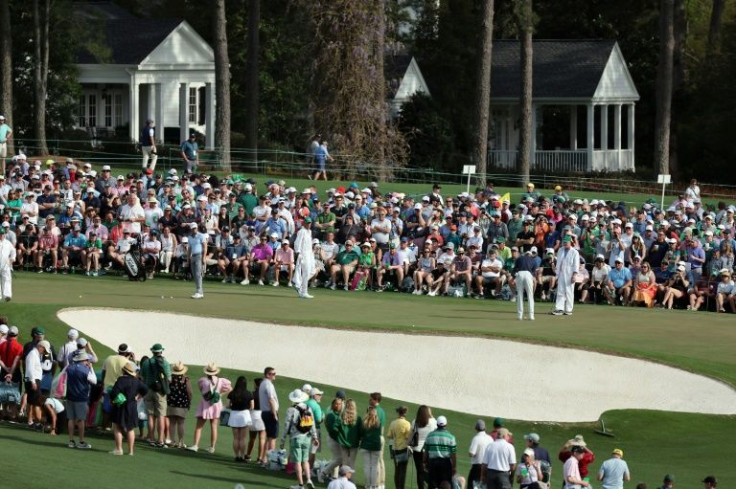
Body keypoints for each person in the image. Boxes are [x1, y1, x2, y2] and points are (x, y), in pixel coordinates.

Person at [188, 362, 232, 453]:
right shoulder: (221, 381)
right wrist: (220, 395)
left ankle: (195, 445)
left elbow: (201, 390)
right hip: (216, 404)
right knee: (214, 426)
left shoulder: (203, 381)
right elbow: (230, 388)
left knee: (199, 426)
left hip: (205, 403)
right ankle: (212, 447)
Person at [280, 388, 319, 489]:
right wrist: (315, 437)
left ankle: (300, 484)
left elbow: (286, 426)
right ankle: (309, 479)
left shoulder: (291, 410)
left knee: (297, 461)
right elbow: (313, 423)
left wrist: (282, 440)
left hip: (296, 437)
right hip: (307, 437)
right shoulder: (308, 408)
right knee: (305, 460)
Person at [110, 361, 148, 455]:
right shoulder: (137, 381)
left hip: (120, 406)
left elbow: (114, 392)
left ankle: (119, 449)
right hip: (132, 407)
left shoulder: (121, 380)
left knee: (117, 427)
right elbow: (146, 390)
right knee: (130, 429)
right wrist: (138, 396)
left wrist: (114, 399)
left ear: (124, 371)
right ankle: (131, 451)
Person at [140, 343, 171, 448]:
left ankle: (151, 438)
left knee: (151, 416)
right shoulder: (165, 363)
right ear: (161, 351)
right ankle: (161, 440)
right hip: (160, 392)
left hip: (148, 390)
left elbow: (142, 376)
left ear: (152, 351)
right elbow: (169, 379)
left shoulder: (146, 362)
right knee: (161, 416)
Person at [65, 351, 97, 449]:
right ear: (84, 360)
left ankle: (71, 441)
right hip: (81, 398)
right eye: (87, 360)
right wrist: (91, 368)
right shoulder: (85, 370)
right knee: (81, 420)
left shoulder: (69, 368)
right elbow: (94, 381)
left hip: (70, 396)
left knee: (71, 419)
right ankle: (81, 441)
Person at [424, 415, 457, 489]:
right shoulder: (451, 437)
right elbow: (453, 454)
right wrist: (454, 467)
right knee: (445, 485)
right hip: (445, 463)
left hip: (433, 463)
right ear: (446, 425)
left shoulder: (430, 436)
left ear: (437, 424)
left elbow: (426, 451)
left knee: (432, 485)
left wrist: (424, 462)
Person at [410, 404, 438, 489]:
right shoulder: (432, 422)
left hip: (417, 449)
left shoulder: (415, 422)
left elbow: (411, 434)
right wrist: (430, 414)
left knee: (419, 472)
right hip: (427, 450)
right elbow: (435, 424)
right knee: (429, 471)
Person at [227, 375, 254, 461]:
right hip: (245, 415)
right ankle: (242, 456)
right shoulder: (249, 393)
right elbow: (252, 407)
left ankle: (236, 455)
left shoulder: (232, 393)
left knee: (236, 438)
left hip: (234, 415)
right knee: (243, 438)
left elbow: (228, 405)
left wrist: (232, 407)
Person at [166, 361, 192, 448]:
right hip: (182, 404)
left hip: (171, 403)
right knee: (181, 423)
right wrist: (189, 402)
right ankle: (181, 442)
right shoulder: (186, 380)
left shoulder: (170, 379)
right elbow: (189, 393)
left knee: (172, 423)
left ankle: (172, 441)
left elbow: (167, 390)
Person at [552, 235, 580, 315]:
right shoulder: (560, 250)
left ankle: (568, 309)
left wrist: (574, 275)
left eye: (566, 242)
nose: (565, 243)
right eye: (564, 242)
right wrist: (557, 274)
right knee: (560, 291)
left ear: (570, 242)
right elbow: (558, 263)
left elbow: (576, 265)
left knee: (569, 291)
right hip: (561, 273)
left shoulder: (575, 252)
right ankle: (559, 309)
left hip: (570, 273)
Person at [258, 366, 280, 466]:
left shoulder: (263, 383)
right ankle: (271, 461)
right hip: (270, 412)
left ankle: (264, 459)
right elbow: (271, 399)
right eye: (273, 374)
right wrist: (274, 414)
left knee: (268, 437)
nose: (275, 375)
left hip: (265, 412)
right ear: (268, 375)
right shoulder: (268, 384)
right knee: (272, 437)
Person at [387, 405, 412, 489]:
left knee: (397, 469)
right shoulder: (407, 424)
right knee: (403, 470)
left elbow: (389, 435)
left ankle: (397, 487)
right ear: (405, 413)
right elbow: (408, 437)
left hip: (394, 449)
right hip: (403, 449)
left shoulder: (393, 423)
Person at [512, 248, 538, 320]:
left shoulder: (519, 258)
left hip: (519, 274)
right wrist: (533, 278)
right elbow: (534, 272)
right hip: (528, 274)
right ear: (530, 255)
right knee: (530, 295)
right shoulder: (533, 260)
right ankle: (531, 316)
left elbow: (514, 270)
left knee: (520, 295)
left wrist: (514, 278)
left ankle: (520, 316)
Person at [293, 217, 316, 299]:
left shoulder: (309, 232)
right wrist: (298, 253)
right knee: (306, 272)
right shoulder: (301, 231)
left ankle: (298, 284)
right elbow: (297, 243)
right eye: (307, 223)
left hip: (310, 253)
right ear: (304, 223)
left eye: (310, 223)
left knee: (313, 271)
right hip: (303, 254)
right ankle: (304, 292)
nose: (309, 224)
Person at [246, 377, 266, 463]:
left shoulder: (252, 394)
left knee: (252, 438)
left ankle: (248, 455)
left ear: (256, 384)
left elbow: (249, 406)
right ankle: (260, 458)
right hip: (263, 416)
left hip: (253, 415)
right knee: (262, 438)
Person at [188, 223, 208, 299]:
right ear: (191, 229)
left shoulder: (201, 236)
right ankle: (200, 291)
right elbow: (189, 249)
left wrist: (204, 257)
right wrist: (188, 258)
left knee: (198, 274)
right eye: (193, 228)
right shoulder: (189, 237)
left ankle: (199, 292)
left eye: (195, 228)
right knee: (194, 274)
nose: (194, 230)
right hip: (193, 256)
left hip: (199, 255)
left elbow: (205, 247)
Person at [0, 225, 16, 301]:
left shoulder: (8, 243)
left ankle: (7, 295)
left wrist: (12, 258)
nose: (1, 235)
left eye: (2, 234)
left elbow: (13, 251)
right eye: (0, 234)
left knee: (7, 279)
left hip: (6, 264)